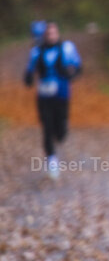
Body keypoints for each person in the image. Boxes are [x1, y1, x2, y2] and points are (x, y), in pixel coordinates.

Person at [23, 21, 82, 179]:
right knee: (47, 129)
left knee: (61, 132)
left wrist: (72, 74)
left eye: (53, 33)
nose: (50, 36)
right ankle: (52, 161)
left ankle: (61, 132)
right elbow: (29, 71)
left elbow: (78, 67)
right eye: (47, 34)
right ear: (44, 36)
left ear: (58, 34)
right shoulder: (36, 52)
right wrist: (28, 78)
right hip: (44, 96)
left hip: (62, 94)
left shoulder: (67, 48)